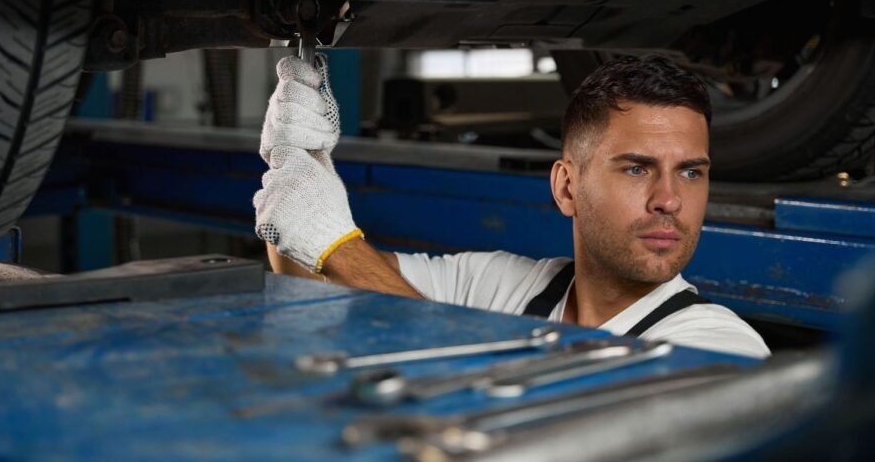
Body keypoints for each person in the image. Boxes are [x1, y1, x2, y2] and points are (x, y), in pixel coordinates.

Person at [253, 54, 770, 359]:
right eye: (636, 168)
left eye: (691, 172)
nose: (669, 200)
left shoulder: (718, 344)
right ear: (567, 187)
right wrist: (298, 169)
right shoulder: (501, 285)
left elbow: (533, 423)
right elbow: (321, 284)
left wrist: (337, 244)